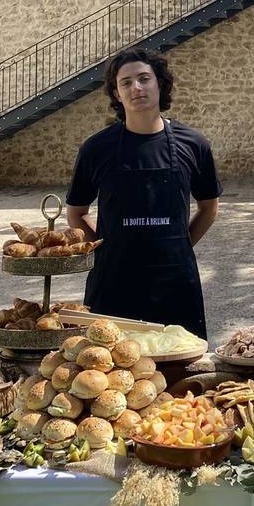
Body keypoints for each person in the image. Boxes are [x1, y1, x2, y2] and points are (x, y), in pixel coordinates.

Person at [66, 49, 221, 339]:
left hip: (175, 283)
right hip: (114, 282)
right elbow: (76, 213)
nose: (136, 88)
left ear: (159, 85)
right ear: (116, 93)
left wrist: (180, 246)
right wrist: (103, 247)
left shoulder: (194, 144)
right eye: (126, 82)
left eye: (144, 79)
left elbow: (209, 208)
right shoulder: (96, 149)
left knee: (181, 372)